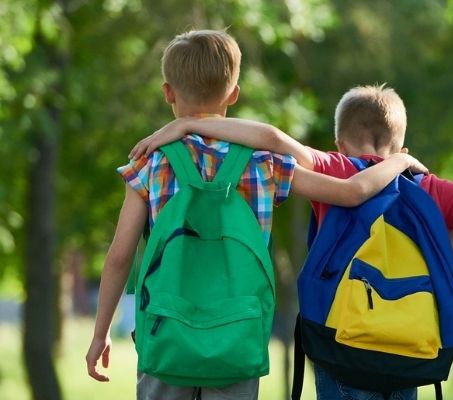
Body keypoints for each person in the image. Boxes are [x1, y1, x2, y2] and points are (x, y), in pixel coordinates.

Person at [130, 84, 453, 400]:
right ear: (402, 144)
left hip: (343, 345)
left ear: (339, 141)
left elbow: (271, 138)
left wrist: (188, 123)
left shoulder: (335, 168)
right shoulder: (428, 186)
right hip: (409, 348)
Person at [85, 29, 426, 400]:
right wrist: (398, 161)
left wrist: (101, 334)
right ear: (234, 94)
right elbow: (350, 193)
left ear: (168, 92)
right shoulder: (263, 164)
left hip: (165, 331)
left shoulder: (150, 163)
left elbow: (119, 257)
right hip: (239, 333)